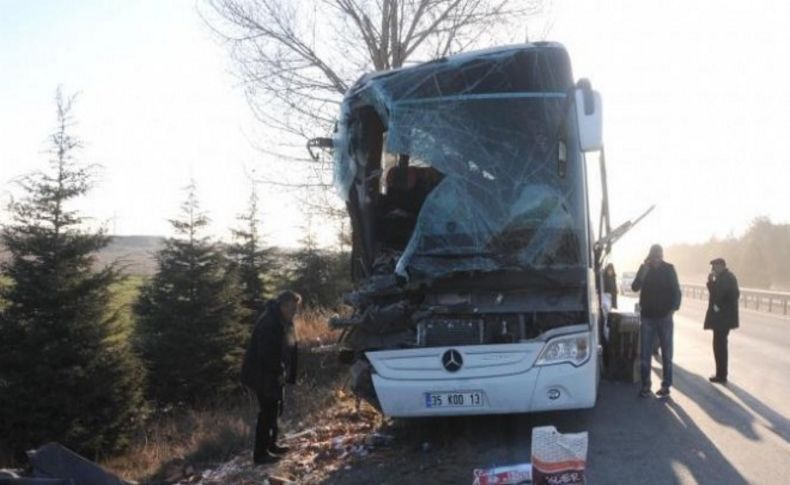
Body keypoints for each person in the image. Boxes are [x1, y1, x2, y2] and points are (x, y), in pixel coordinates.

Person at [241, 290, 301, 465]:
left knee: (276, 408)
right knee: (267, 411)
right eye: (291, 307)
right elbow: (267, 354)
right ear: (282, 305)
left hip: (273, 373)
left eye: (296, 308)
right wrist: (279, 372)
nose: (294, 311)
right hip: (261, 374)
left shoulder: (284, 321)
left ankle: (272, 445)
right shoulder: (269, 323)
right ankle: (260, 455)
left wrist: (288, 374)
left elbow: (291, 347)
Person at [631, 244, 681, 398]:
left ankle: (666, 386)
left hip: (665, 318)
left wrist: (672, 310)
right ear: (650, 256)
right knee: (645, 354)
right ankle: (646, 386)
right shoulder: (644, 269)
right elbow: (634, 287)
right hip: (647, 318)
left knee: (667, 354)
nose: (657, 260)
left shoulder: (669, 269)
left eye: (659, 256)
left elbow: (676, 291)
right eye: (654, 257)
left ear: (662, 256)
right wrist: (644, 271)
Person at [704, 258, 739, 384]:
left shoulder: (726, 278)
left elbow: (724, 296)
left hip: (723, 318)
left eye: (715, 267)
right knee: (719, 346)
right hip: (722, 318)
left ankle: (721, 374)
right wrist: (710, 281)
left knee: (720, 346)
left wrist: (718, 306)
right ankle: (721, 373)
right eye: (713, 267)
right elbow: (716, 293)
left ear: (722, 266)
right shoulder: (724, 277)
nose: (713, 270)